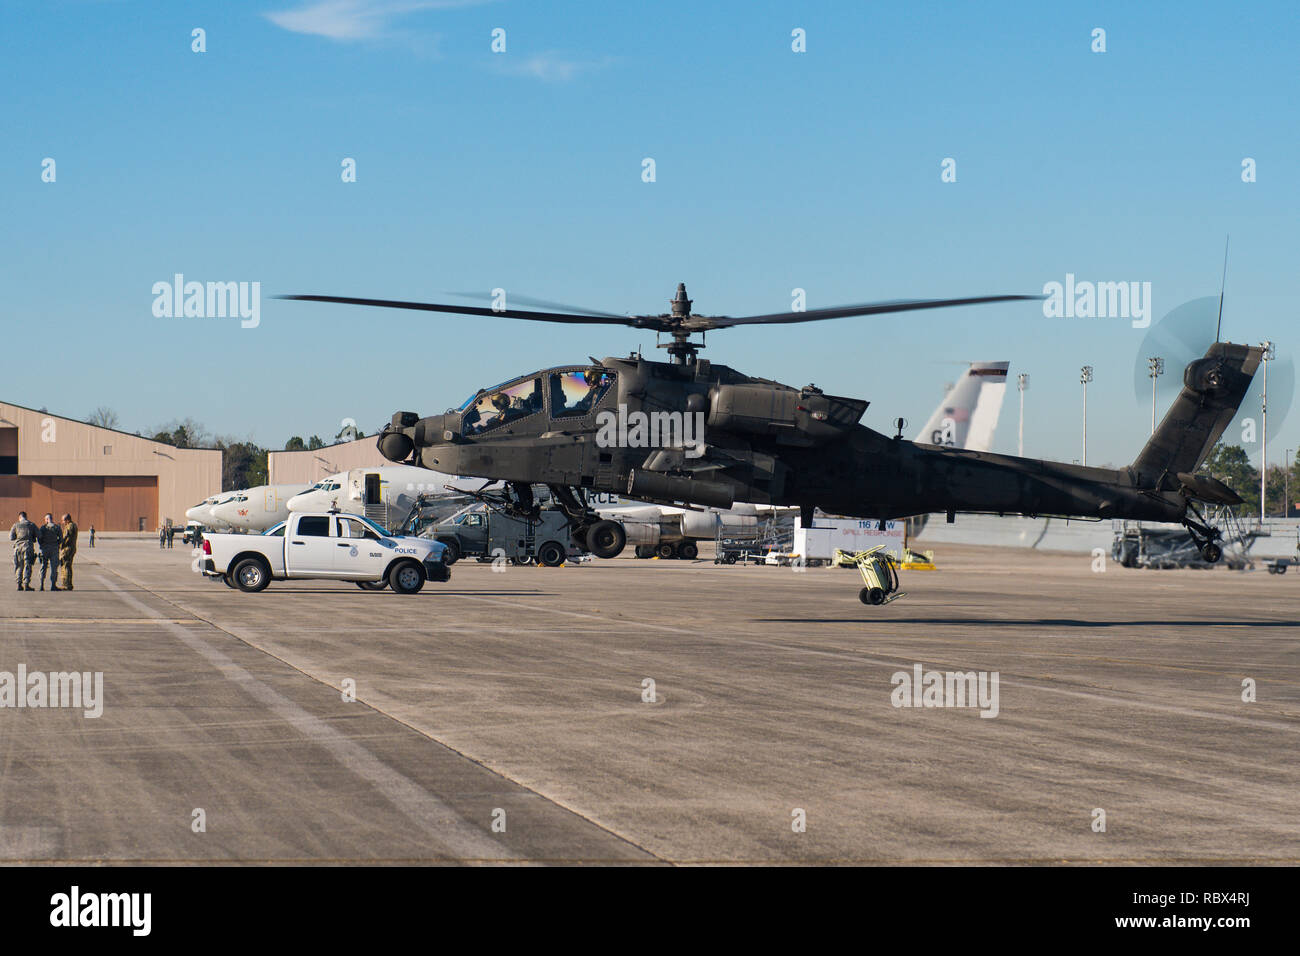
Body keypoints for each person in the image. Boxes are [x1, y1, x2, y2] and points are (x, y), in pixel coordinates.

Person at [9, 511, 37, 592]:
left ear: (19, 517)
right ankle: (26, 584)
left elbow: (11, 537)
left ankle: (19, 584)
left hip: (18, 548)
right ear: (26, 517)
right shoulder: (31, 525)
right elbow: (39, 535)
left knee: (19, 566)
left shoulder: (15, 525)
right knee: (27, 565)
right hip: (28, 547)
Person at [36, 513, 62, 591]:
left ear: (46, 519)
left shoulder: (43, 528)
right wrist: (56, 545)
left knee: (43, 566)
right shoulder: (57, 527)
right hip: (54, 549)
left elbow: (39, 538)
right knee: (54, 568)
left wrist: (43, 545)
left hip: (44, 549)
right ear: (52, 519)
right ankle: (53, 585)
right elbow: (61, 538)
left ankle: (41, 585)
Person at [58, 513, 78, 591]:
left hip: (67, 549)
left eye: (63, 520)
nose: (62, 522)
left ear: (67, 520)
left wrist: (61, 545)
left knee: (65, 566)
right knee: (68, 566)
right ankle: (69, 584)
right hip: (71, 548)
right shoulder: (74, 525)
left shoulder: (69, 526)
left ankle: (66, 584)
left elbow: (66, 537)